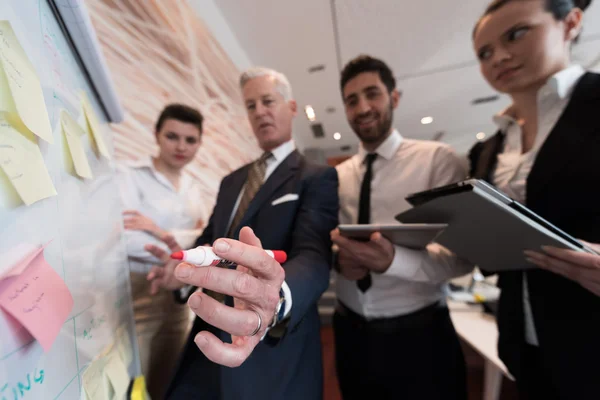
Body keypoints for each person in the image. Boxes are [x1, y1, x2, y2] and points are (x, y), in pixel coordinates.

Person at [146, 67, 339, 400]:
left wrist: (276, 298)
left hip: (271, 348)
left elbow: (314, 254)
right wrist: (179, 272)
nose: (260, 111)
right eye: (251, 106)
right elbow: (210, 241)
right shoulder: (231, 182)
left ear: (291, 107)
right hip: (206, 336)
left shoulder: (315, 177)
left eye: (268, 101)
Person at [468, 0, 600, 397]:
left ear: (571, 22)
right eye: (485, 53)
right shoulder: (488, 150)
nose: (500, 58)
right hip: (524, 343)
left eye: (516, 34)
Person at [330, 55, 473, 400]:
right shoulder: (335, 177)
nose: (363, 107)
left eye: (372, 94)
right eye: (352, 100)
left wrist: (393, 260)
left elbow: (463, 257)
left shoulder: (438, 160)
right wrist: (338, 261)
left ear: (394, 97)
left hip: (418, 334)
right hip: (349, 330)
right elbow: (328, 241)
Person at [117, 103, 204, 400]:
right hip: (140, 294)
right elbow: (125, 238)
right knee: (130, 388)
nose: (181, 146)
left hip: (180, 299)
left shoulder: (194, 188)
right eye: (172, 136)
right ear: (156, 134)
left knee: (168, 385)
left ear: (199, 143)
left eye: (190, 140)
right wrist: (184, 245)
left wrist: (161, 233)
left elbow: (203, 237)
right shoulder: (129, 175)